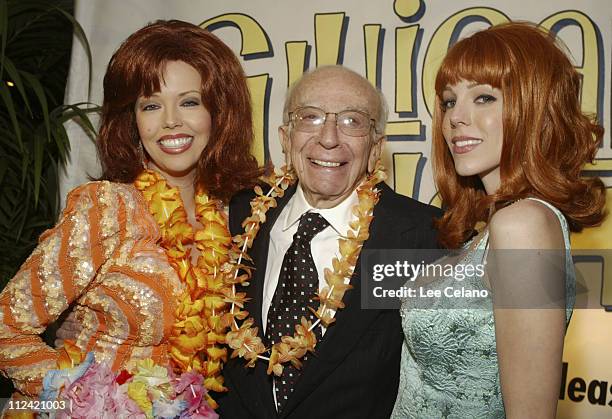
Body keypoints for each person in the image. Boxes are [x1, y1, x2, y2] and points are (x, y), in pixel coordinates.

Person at [0, 19, 259, 404]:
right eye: (151, 105)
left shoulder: (232, 218)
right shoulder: (106, 209)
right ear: (133, 120)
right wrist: (84, 403)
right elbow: (7, 328)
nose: (171, 120)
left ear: (218, 113)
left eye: (189, 101)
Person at [392, 22, 606, 418]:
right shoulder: (501, 224)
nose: (456, 117)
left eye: (485, 98)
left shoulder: (523, 225)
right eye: (449, 100)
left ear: (534, 106)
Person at [218, 65, 441, 418]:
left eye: (353, 121)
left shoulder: (420, 239)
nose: (329, 137)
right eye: (310, 117)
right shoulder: (237, 218)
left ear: (375, 148)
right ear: (285, 137)